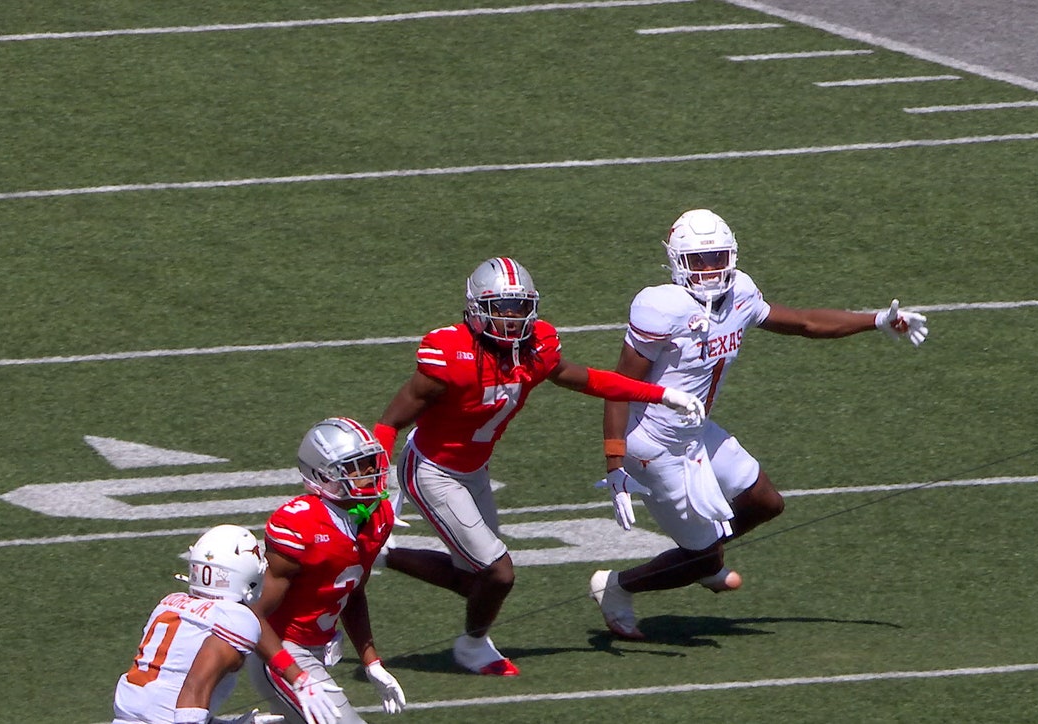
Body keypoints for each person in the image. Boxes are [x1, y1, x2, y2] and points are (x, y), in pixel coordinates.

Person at [589, 208, 929, 640]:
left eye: (717, 257)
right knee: (705, 559)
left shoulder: (741, 293)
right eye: (700, 260)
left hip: (696, 429)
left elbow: (804, 322)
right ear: (677, 263)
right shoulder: (661, 307)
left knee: (765, 502)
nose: (711, 269)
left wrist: (877, 320)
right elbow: (619, 385)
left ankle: (699, 556)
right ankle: (617, 587)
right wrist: (615, 460)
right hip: (652, 444)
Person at [371, 256, 707, 676]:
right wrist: (378, 489)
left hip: (475, 469)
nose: (511, 318)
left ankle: (379, 556)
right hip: (432, 471)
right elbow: (390, 422)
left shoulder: (537, 348)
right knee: (499, 573)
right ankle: (473, 645)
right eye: (500, 308)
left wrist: (659, 394)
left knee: (476, 579)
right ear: (475, 309)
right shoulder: (449, 355)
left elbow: (589, 379)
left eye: (519, 306)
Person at [249, 417, 407, 724]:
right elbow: (254, 615)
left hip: (320, 647)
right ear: (324, 475)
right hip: (280, 650)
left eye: (370, 463)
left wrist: (371, 661)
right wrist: (297, 675)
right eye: (356, 467)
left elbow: (353, 592)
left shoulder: (378, 517)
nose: (371, 473)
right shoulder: (300, 526)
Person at [113, 524, 341, 724]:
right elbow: (194, 688)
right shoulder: (236, 620)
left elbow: (166, 691)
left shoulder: (170, 604)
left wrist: (298, 679)